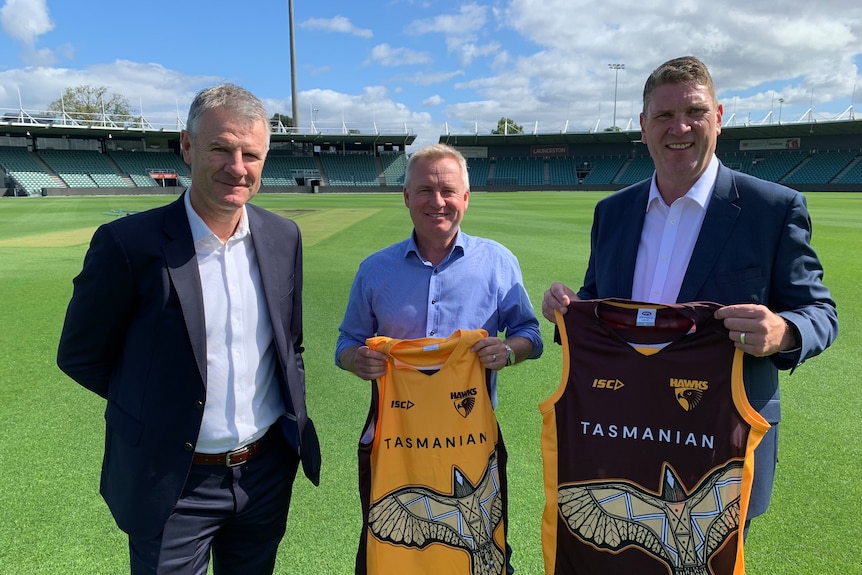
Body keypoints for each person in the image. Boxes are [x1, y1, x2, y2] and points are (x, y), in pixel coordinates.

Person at [542, 55, 838, 531]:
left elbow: (821, 311)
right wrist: (568, 311)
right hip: (622, 428)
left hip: (722, 436)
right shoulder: (612, 212)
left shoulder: (772, 208)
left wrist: (784, 330)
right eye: (663, 115)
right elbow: (598, 301)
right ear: (643, 126)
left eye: (694, 112)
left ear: (718, 118)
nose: (678, 127)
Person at [57, 84, 321, 575]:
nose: (236, 167)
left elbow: (290, 344)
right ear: (187, 146)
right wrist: (158, 408)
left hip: (264, 473)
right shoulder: (127, 244)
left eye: (251, 154)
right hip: (171, 481)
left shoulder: (283, 237)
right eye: (221, 148)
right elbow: (80, 355)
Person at [336, 143, 543, 573]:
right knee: (384, 537)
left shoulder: (498, 262)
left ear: (465, 197)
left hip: (473, 438)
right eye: (425, 190)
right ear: (406, 197)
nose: (438, 201)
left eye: (448, 190)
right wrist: (357, 360)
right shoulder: (375, 270)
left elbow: (531, 334)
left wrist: (508, 351)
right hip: (395, 439)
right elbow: (347, 343)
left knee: (483, 538)